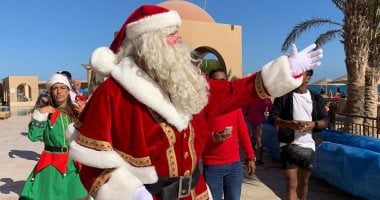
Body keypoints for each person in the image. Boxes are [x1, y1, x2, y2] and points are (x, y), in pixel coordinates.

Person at [65, 5, 323, 200]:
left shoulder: (192, 86)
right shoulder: (114, 94)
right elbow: (90, 162)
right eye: (171, 34)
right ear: (148, 43)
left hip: (197, 194)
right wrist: (130, 194)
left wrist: (287, 70)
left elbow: (237, 90)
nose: (180, 39)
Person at [19, 73, 87, 200]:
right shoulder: (45, 112)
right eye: (55, 88)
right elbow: (33, 137)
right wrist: (41, 113)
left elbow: (92, 137)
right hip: (51, 165)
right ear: (50, 91)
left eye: (62, 87)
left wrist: (86, 115)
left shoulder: (75, 113)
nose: (59, 91)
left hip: (73, 164)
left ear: (68, 90)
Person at [268, 70, 329, 200]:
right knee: (291, 183)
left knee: (304, 182)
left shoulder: (317, 98)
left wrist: (314, 124)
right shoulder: (283, 97)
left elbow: (326, 120)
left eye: (299, 75)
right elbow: (272, 118)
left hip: (309, 146)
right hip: (288, 145)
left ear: (308, 78)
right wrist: (288, 123)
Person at [202, 69, 255, 200]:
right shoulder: (202, 107)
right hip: (212, 167)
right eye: (216, 80)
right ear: (209, 83)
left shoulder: (234, 106)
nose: (220, 84)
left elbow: (243, 132)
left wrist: (250, 157)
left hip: (234, 166)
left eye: (223, 81)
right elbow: (196, 135)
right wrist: (212, 137)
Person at [245, 97, 272, 165]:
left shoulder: (253, 97)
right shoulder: (266, 99)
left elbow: (247, 108)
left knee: (253, 139)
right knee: (257, 140)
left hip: (252, 119)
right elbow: (270, 110)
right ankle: (257, 159)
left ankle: (252, 157)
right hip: (257, 120)